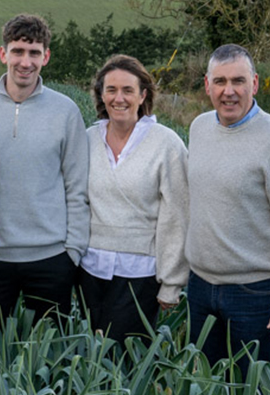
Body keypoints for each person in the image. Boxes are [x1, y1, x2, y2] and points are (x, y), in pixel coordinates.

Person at [186, 43, 270, 374]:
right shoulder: (199, 128)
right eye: (219, 82)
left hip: (255, 294)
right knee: (208, 386)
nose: (228, 91)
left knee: (254, 393)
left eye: (238, 81)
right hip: (200, 287)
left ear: (255, 84)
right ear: (207, 85)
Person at [0, 14, 88, 340]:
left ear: (46, 57)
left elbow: (77, 185)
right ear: (3, 54)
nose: (25, 61)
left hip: (50, 259)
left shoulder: (66, 111)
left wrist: (72, 253)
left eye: (34, 53)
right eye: (18, 51)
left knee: (50, 358)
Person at [79, 55, 189, 345]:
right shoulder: (87, 139)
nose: (119, 98)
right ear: (101, 95)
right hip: (89, 271)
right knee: (90, 357)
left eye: (128, 90)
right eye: (111, 90)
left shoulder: (167, 144)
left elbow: (178, 215)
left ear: (143, 95)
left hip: (140, 276)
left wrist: (172, 282)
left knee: (124, 363)